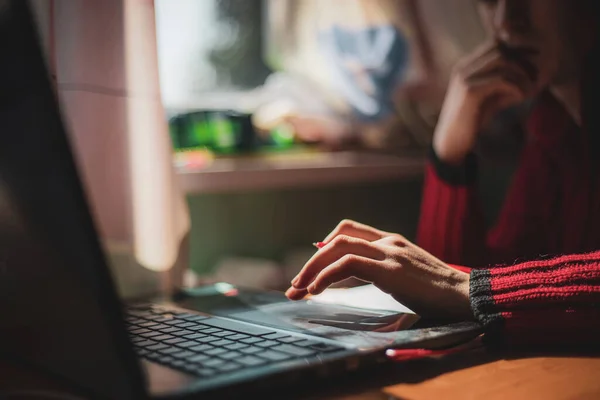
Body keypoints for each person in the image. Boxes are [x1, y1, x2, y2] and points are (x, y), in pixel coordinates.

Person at [286, 0, 600, 348]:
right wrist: (450, 150)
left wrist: (467, 289)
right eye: (491, 2)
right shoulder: (553, 132)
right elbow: (478, 282)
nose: (508, 24)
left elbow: (468, 287)